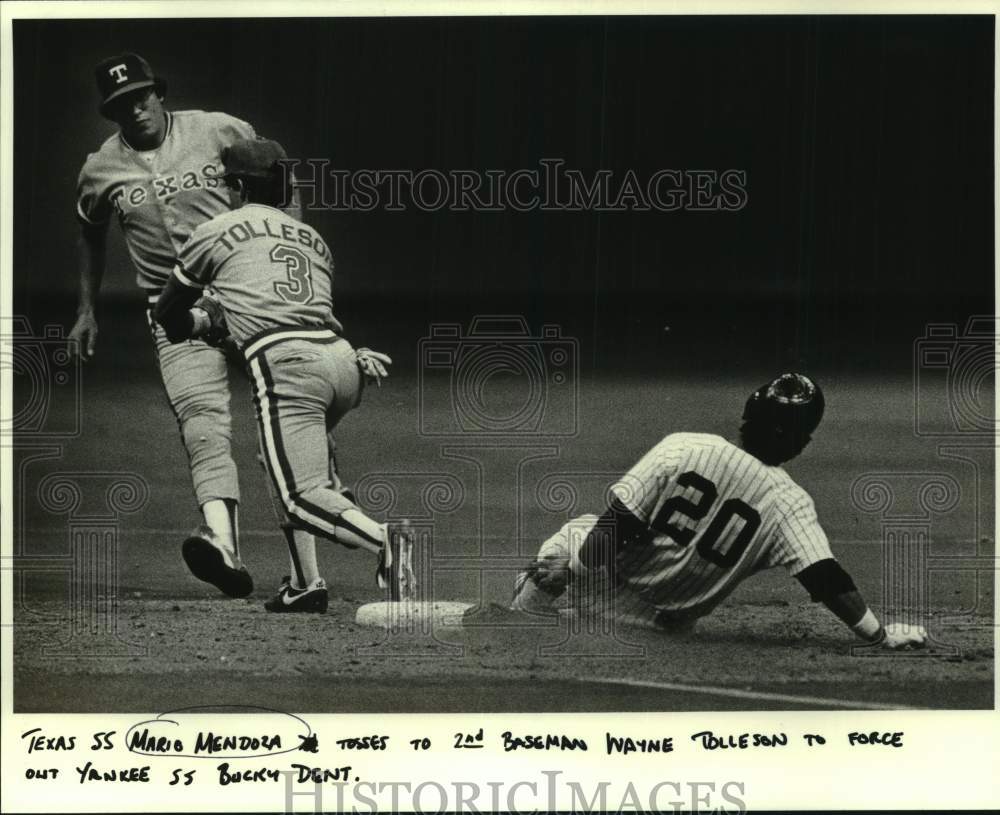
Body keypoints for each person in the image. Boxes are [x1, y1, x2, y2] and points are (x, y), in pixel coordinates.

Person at [70, 52, 322, 599]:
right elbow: (90, 232)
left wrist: (287, 245)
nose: (135, 109)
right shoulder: (100, 169)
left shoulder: (216, 129)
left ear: (158, 93)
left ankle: (309, 569)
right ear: (110, 112)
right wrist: (87, 308)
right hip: (173, 310)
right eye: (121, 104)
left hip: (247, 295)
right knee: (201, 424)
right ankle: (223, 544)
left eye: (141, 96)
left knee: (290, 421)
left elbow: (280, 177)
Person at [154, 137, 412, 612]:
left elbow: (170, 316)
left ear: (234, 186)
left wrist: (198, 322)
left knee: (299, 496)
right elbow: (284, 306)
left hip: (289, 369)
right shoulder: (311, 237)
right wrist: (218, 321)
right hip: (344, 362)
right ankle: (304, 583)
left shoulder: (216, 229)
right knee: (277, 464)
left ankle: (386, 542)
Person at [511, 373, 929, 650]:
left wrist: (573, 574)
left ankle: (521, 624)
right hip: (659, 628)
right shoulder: (791, 504)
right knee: (597, 571)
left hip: (594, 583)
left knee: (578, 532)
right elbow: (825, 578)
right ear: (803, 442)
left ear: (747, 417)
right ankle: (574, 622)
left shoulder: (685, 446)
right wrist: (877, 634)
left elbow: (615, 525)